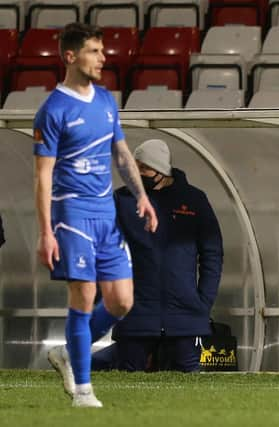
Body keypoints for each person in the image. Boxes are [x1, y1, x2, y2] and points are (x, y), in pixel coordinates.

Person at [34, 22, 157, 408]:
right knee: (84, 295)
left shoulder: (105, 100)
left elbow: (121, 152)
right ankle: (84, 391)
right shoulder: (52, 110)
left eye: (102, 51)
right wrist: (46, 232)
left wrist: (142, 196)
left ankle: (70, 352)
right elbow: (43, 175)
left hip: (107, 217)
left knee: (121, 302)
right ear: (70, 56)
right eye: (94, 51)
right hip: (72, 216)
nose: (103, 58)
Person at [91, 138, 224, 372]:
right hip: (135, 316)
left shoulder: (195, 200)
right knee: (128, 383)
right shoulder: (121, 201)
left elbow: (212, 253)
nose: (137, 173)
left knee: (191, 388)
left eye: (144, 168)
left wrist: (202, 303)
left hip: (186, 318)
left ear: (162, 170)